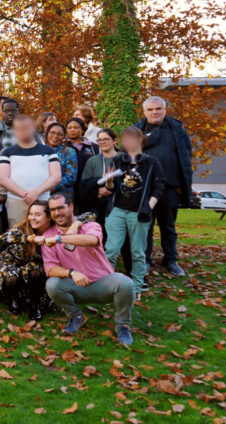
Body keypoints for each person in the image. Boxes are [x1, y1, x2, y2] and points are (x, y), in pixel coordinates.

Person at [43, 193, 135, 346]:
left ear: (71, 207)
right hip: (76, 286)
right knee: (52, 284)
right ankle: (76, 316)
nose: (57, 213)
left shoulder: (90, 226)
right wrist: (72, 273)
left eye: (60, 208)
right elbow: (50, 268)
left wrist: (60, 238)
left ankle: (123, 325)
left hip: (103, 283)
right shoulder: (49, 235)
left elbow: (92, 240)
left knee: (126, 283)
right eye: (52, 210)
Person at [102, 126, 164, 299]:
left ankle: (136, 289)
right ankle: (106, 287)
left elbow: (159, 187)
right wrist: (108, 181)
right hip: (117, 211)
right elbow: (111, 188)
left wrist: (148, 207)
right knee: (111, 250)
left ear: (140, 139)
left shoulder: (152, 163)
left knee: (137, 252)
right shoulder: (117, 161)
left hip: (139, 213)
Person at [134, 96, 190, 277]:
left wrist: (182, 184)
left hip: (170, 187)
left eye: (158, 108)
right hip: (145, 189)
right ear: (144, 112)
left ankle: (171, 261)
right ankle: (145, 261)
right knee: (145, 226)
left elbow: (186, 157)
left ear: (165, 110)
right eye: (150, 109)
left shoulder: (177, 130)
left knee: (168, 226)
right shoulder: (136, 131)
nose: (155, 112)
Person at [0, 200, 56, 320]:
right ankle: (14, 299)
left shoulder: (54, 232)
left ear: (48, 216)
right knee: (10, 277)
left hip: (33, 267)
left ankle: (35, 305)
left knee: (34, 270)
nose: (32, 218)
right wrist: (30, 238)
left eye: (37, 215)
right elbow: (3, 237)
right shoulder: (23, 228)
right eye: (30, 214)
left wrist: (76, 225)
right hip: (10, 262)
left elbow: (89, 216)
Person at [0, 115, 61, 225]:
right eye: (19, 128)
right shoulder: (7, 152)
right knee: (17, 233)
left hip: (43, 200)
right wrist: (25, 195)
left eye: (26, 127)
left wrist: (37, 192)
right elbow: (3, 178)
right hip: (16, 201)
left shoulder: (49, 151)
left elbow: (56, 177)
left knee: (44, 234)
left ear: (33, 128)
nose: (22, 131)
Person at [76, 128, 119, 227]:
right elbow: (84, 184)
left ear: (115, 141)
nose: (102, 142)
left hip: (119, 205)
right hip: (97, 206)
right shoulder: (92, 161)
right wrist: (97, 192)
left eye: (106, 139)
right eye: (99, 140)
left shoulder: (123, 159)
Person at [44, 123, 78, 199]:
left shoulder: (69, 151)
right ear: (47, 133)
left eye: (59, 134)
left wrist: (51, 188)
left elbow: (71, 176)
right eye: (52, 132)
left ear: (64, 137)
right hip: (40, 192)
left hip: (62, 194)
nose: (55, 136)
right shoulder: (39, 150)